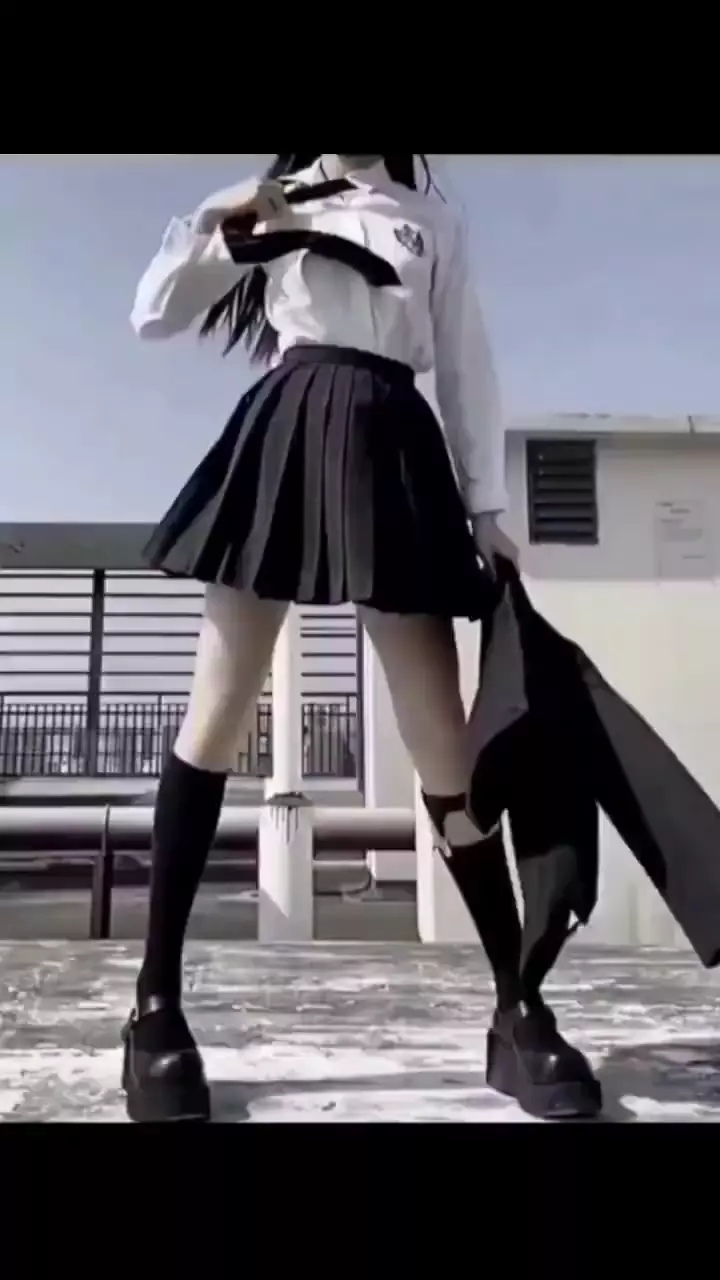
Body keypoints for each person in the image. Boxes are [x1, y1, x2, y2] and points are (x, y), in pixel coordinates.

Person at [122, 153, 599, 1124]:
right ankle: (154, 1004)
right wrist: (223, 224)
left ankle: (516, 1006)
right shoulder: (275, 201)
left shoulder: (433, 220)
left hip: (394, 442)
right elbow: (154, 310)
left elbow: (464, 362)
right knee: (215, 716)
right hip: (289, 427)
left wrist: (487, 508)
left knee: (445, 747)